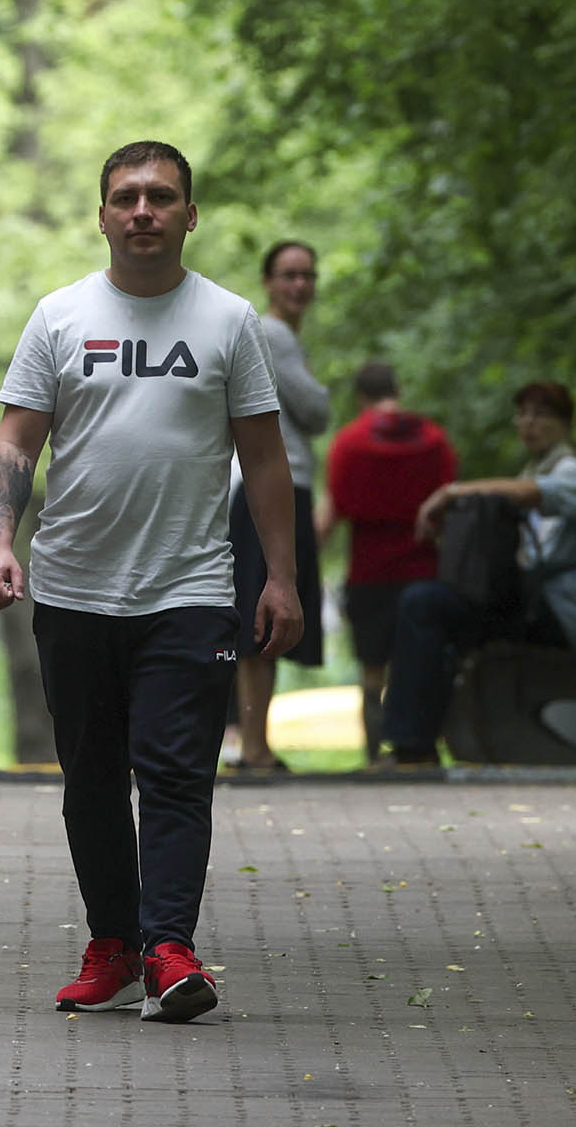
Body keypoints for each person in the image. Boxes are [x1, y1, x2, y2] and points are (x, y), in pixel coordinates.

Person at [0, 141, 302, 1024]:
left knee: (174, 774)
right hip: (75, 587)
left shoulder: (229, 321)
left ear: (191, 215)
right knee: (90, 779)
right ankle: (113, 944)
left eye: (163, 197)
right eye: (127, 197)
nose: (144, 211)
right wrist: (0, 541)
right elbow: (15, 442)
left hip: (190, 588)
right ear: (103, 214)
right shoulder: (60, 315)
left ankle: (169, 948)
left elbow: (266, 461)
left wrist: (281, 576)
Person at [377, 371, 576, 767]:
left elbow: (536, 494)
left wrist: (450, 492)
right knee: (436, 601)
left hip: (563, 619)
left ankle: (413, 746)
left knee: (426, 603)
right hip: (563, 613)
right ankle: (417, 741)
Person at [319, 361, 458, 761]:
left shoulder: (349, 444)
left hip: (369, 573)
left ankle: (372, 756)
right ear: (397, 388)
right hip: (422, 570)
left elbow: (332, 513)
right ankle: (413, 745)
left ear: (361, 396)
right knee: (414, 663)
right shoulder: (433, 440)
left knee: (371, 672)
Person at [226, 240, 329, 772]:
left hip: (274, 487)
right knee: (260, 620)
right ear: (268, 281)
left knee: (266, 620)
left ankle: (255, 744)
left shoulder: (280, 336)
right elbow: (316, 410)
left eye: (307, 276)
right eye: (288, 275)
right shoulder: (271, 335)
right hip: (271, 489)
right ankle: (254, 747)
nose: (299, 286)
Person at [511, 379, 576, 561]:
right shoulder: (530, 472)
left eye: (541, 414)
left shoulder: (568, 471)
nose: (528, 422)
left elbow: (546, 548)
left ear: (565, 424)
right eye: (522, 413)